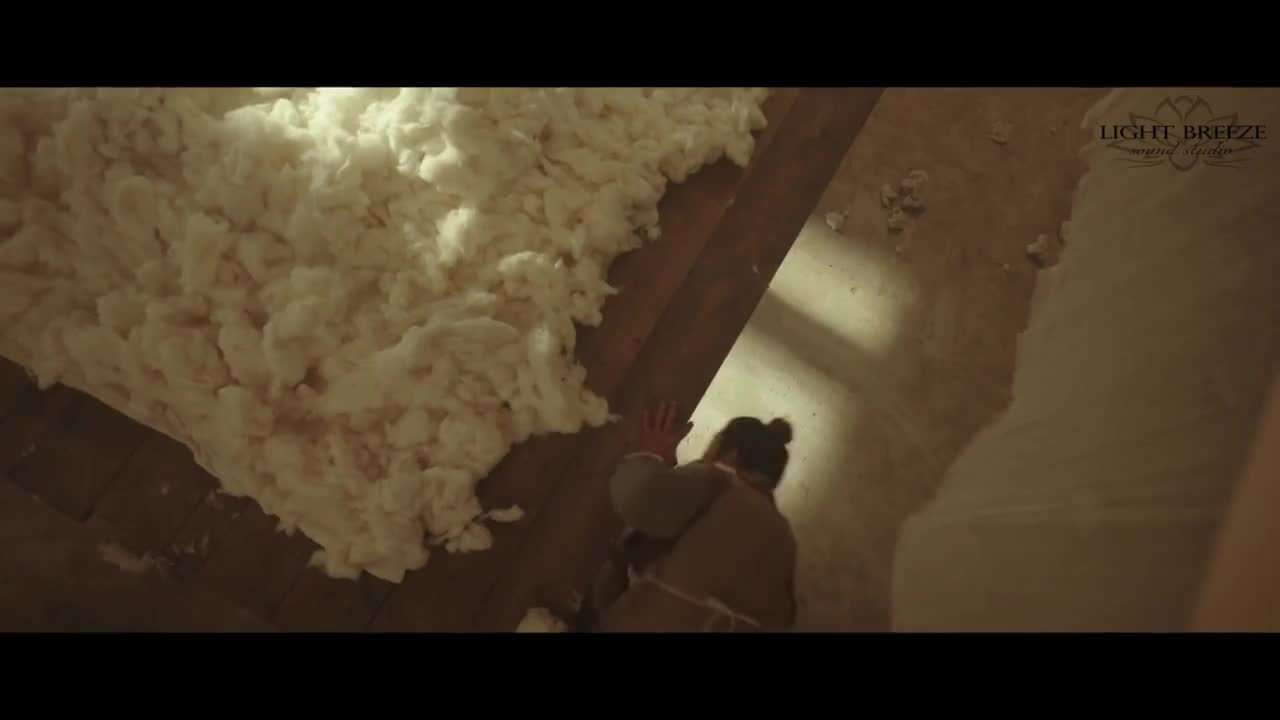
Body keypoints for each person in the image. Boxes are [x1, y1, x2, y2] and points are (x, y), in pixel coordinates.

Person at [574, 400, 799, 632]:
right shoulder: (783, 536)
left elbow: (636, 495)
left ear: (731, 455)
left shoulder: (719, 481)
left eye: (711, 446)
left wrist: (648, 453)